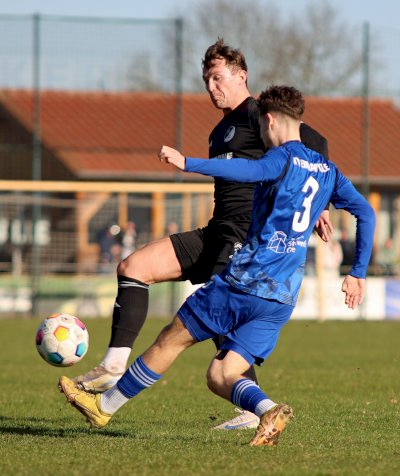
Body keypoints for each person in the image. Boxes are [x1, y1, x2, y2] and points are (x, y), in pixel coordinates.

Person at [59, 85, 375, 447]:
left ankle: (104, 405)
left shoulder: (281, 158)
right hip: (282, 297)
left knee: (170, 339)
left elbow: (245, 168)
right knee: (221, 373)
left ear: (270, 120)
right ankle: (269, 409)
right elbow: (365, 211)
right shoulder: (329, 170)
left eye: (263, 128)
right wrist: (358, 272)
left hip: (245, 282)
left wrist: (188, 163)